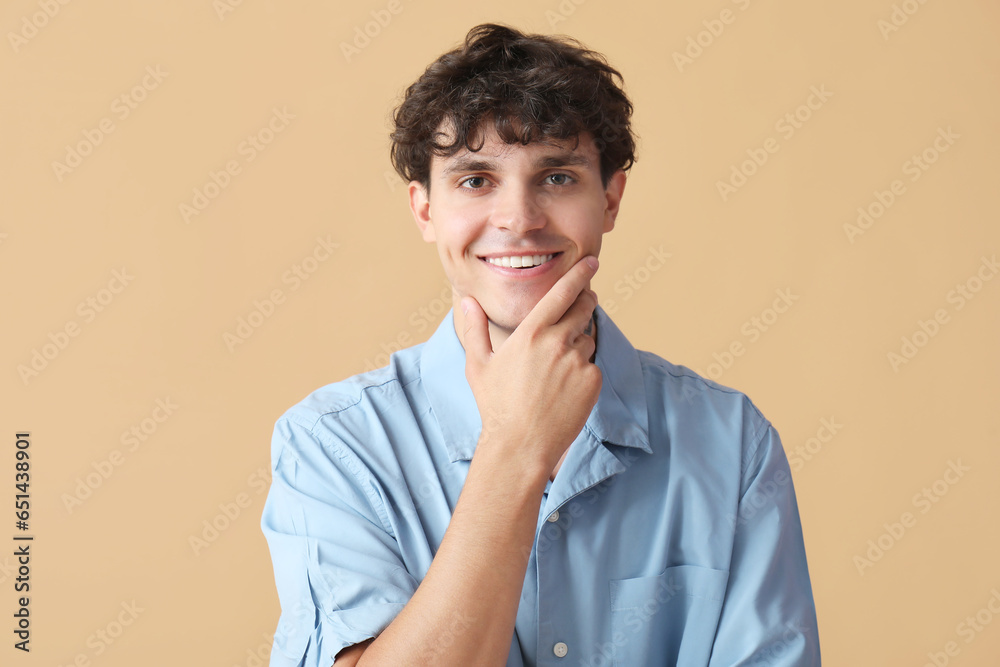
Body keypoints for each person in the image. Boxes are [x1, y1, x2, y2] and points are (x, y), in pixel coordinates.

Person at [261, 22, 821, 667]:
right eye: (475, 180)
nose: (519, 219)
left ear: (610, 199)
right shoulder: (331, 446)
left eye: (557, 177)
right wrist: (516, 447)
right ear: (424, 209)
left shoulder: (732, 441)